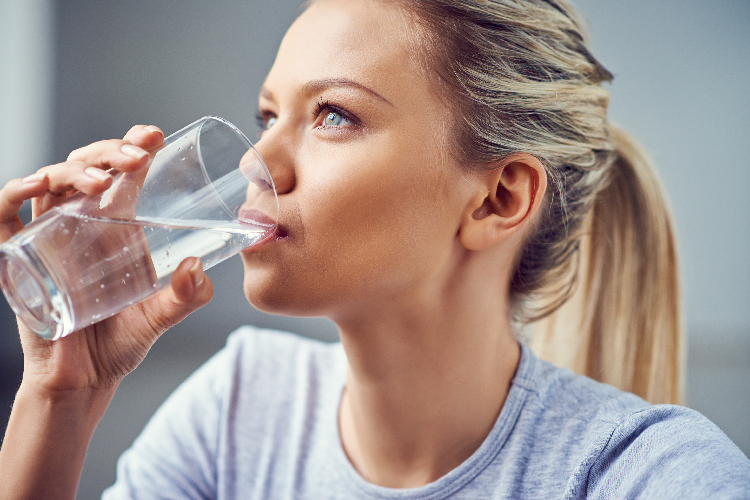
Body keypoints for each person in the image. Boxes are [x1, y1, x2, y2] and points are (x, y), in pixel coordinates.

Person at [1, 0, 748, 498]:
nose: (256, 162)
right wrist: (61, 398)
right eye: (267, 115)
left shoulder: (652, 476)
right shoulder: (236, 414)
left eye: (332, 115)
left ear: (498, 199)